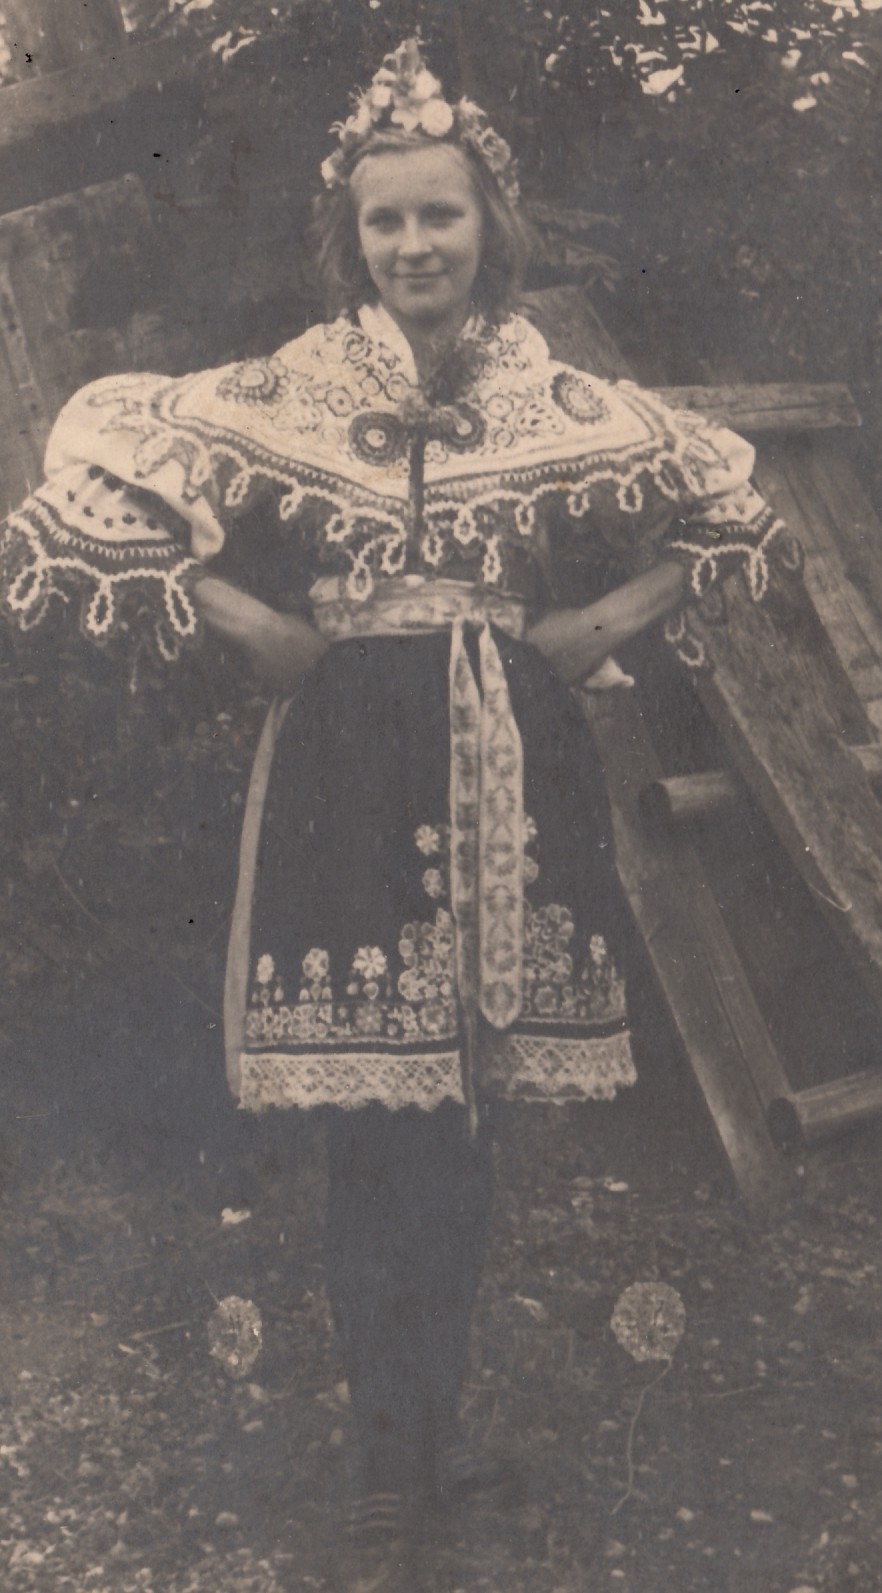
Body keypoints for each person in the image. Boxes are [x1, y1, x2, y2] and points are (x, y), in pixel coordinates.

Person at [0, 36, 786, 1581]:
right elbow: (88, 469)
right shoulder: (294, 382)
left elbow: (726, 504)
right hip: (347, 766)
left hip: (512, 751)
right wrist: (249, 618)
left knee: (473, 1107)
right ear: (349, 235)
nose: (414, 244)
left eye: (439, 215)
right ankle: (382, 1464)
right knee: (375, 1119)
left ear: (489, 222)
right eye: (385, 221)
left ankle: (432, 1429)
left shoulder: (544, 386)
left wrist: (592, 624)